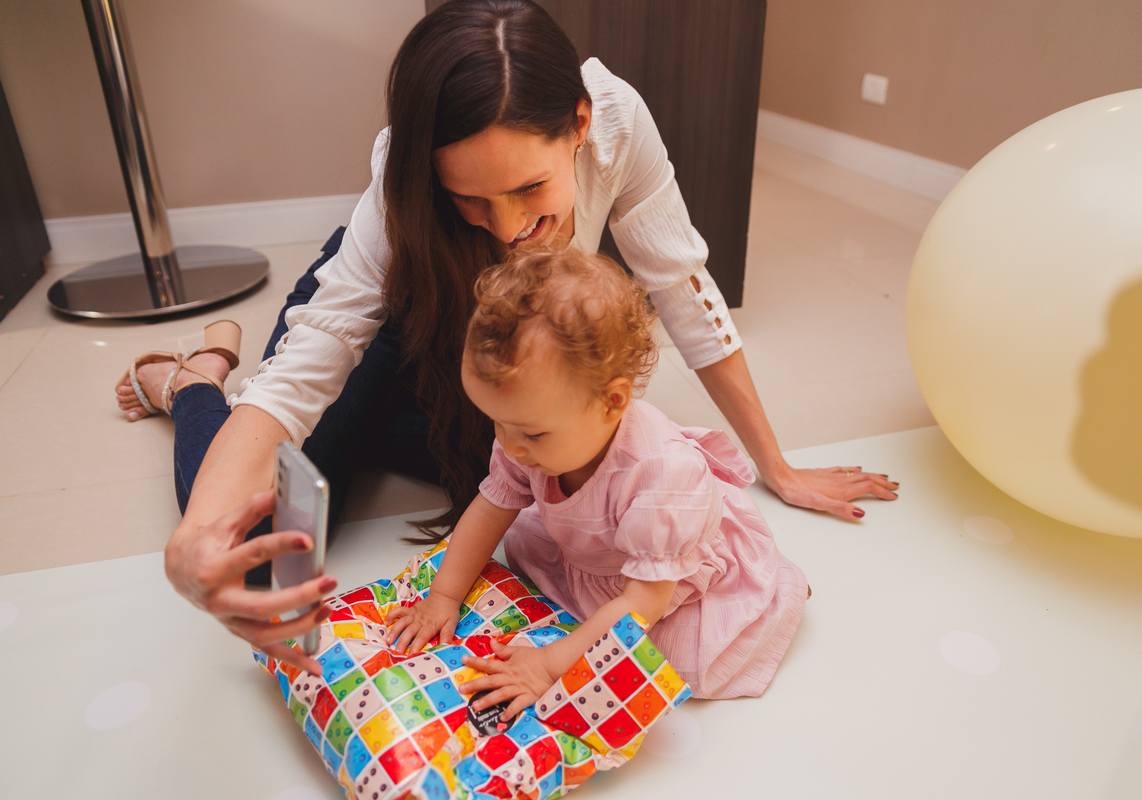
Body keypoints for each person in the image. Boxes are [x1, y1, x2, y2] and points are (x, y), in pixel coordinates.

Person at [114, 0, 896, 676]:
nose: (514, 228)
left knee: (539, 476)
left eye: (530, 189)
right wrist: (192, 539)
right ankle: (195, 382)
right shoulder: (402, 173)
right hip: (391, 327)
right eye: (472, 201)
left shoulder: (617, 119)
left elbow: (683, 287)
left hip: (494, 360)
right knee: (252, 544)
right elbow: (308, 368)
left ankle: (363, 424)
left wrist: (777, 464)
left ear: (580, 127)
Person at [386, 249, 807, 713]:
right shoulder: (523, 437)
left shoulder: (661, 476)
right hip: (596, 555)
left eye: (531, 432)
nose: (510, 445)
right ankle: (584, 605)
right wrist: (442, 597)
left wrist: (548, 667)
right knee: (521, 540)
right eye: (496, 422)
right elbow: (491, 507)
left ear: (611, 402)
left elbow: (641, 604)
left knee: (669, 665)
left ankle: (775, 587)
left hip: (662, 581)